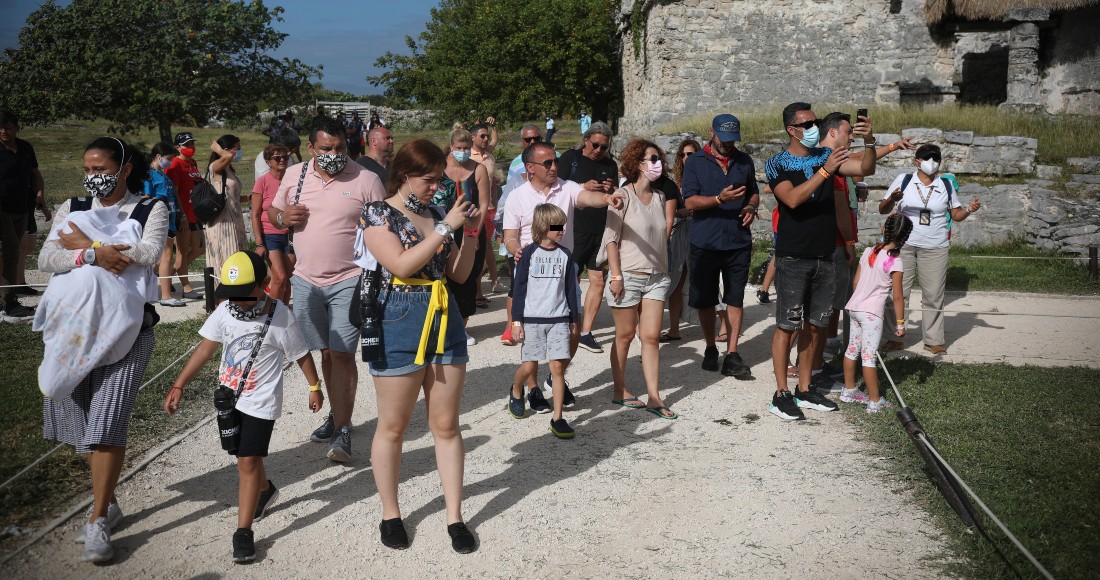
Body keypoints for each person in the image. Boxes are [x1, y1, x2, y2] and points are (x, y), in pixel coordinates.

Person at [39, 137, 168, 563]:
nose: (94, 176)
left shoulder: (151, 208)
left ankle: (96, 518)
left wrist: (85, 245)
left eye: (101, 169)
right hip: (73, 335)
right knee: (83, 427)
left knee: (107, 423)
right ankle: (108, 502)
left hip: (127, 335)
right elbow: (46, 257)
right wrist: (94, 252)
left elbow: (148, 253)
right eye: (88, 169)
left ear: (124, 168)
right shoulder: (71, 208)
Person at [356, 139, 480, 553]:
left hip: (443, 311)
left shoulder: (438, 213)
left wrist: (474, 234)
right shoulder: (378, 213)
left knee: (446, 424)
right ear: (405, 174)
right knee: (393, 425)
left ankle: (455, 516)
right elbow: (402, 264)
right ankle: (391, 513)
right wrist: (447, 228)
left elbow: (459, 274)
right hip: (400, 313)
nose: (436, 187)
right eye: (429, 180)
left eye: (439, 179)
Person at [164, 251, 322, 563]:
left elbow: (301, 354)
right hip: (229, 399)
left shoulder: (281, 317)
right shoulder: (225, 313)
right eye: (230, 295)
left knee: (247, 462)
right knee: (241, 455)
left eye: (243, 296)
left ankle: (243, 532)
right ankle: (265, 489)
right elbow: (206, 348)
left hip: (261, 402)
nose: (236, 302)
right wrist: (179, 383)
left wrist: (314, 387)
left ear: (264, 284)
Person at [267, 116, 387, 462]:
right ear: (310, 148)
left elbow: (382, 228)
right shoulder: (295, 175)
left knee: (343, 353)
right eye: (326, 149)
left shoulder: (366, 179)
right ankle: (338, 413)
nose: (334, 154)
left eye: (339, 148)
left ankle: (344, 431)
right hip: (305, 280)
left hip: (349, 279)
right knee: (325, 352)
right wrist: (282, 218)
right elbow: (273, 212)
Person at [764, 101, 876, 421]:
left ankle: (804, 387)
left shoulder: (825, 156)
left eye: (815, 122)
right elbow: (792, 199)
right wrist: (824, 172)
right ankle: (781, 393)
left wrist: (869, 142)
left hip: (824, 256)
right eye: (807, 124)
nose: (814, 128)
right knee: (788, 326)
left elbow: (864, 168)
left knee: (815, 326)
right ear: (791, 130)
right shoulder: (776, 164)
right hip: (793, 256)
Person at [500, 141, 624, 411]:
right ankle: (529, 388)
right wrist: (515, 249)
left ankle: (555, 377)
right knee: (534, 340)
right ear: (530, 168)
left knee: (574, 330)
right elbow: (509, 236)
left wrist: (605, 198)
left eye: (555, 161)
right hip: (532, 277)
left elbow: (586, 197)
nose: (555, 167)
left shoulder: (566, 188)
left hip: (563, 274)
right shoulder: (517, 196)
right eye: (548, 163)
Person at [879, 143, 981, 355]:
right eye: (927, 158)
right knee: (897, 292)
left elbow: (956, 215)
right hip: (903, 244)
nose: (931, 162)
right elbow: (883, 209)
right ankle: (894, 337)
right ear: (917, 161)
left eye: (936, 159)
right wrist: (892, 199)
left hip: (935, 246)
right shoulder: (904, 180)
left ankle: (933, 339)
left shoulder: (945, 184)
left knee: (933, 294)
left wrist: (970, 210)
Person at [682, 114, 760, 377]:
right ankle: (710, 346)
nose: (728, 144)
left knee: (735, 298)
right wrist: (718, 199)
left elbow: (754, 191)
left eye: (732, 140)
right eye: (723, 139)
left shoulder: (744, 160)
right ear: (711, 132)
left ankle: (733, 353)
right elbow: (689, 203)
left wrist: (750, 205)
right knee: (706, 300)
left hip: (738, 241)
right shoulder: (694, 162)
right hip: (705, 241)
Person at [603, 139, 677, 418]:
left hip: (657, 277)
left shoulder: (659, 197)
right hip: (629, 275)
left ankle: (654, 397)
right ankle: (619, 389)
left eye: (659, 159)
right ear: (637, 164)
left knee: (650, 337)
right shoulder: (622, 196)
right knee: (623, 336)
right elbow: (611, 239)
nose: (658, 164)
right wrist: (617, 276)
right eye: (652, 159)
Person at [508, 204, 581, 437]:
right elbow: (518, 290)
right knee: (529, 365)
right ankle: (517, 388)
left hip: (559, 318)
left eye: (562, 225)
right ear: (542, 227)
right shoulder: (528, 254)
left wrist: (573, 318)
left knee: (558, 368)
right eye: (556, 226)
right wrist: (516, 322)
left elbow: (571, 289)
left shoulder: (565, 255)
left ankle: (557, 417)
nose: (561, 229)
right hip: (532, 319)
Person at [841, 214, 912, 413]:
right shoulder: (895, 261)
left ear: (884, 229)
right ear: (905, 238)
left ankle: (849, 390)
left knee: (851, 350)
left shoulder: (869, 251)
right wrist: (900, 324)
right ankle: (875, 401)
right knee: (869, 356)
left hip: (854, 308)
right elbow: (898, 296)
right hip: (871, 314)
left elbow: (856, 283)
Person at [557, 121, 618, 354]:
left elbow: (614, 197)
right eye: (595, 145)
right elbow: (556, 187)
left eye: (604, 147)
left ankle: (585, 332)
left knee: (598, 281)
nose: (599, 151)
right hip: (571, 229)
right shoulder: (569, 158)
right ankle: (564, 323)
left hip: (600, 229)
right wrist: (582, 186)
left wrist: (610, 189)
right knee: (567, 278)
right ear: (586, 140)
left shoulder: (610, 164)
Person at [436, 125, 491, 344]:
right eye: (459, 147)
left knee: (468, 276)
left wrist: (474, 234)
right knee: (444, 276)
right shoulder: (440, 167)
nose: (464, 151)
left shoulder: (478, 169)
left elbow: (485, 204)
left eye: (467, 147)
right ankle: (442, 324)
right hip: (444, 227)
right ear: (451, 147)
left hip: (471, 228)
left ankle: (461, 327)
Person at [498, 124, 545, 346]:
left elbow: (561, 212)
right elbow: (504, 206)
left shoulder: (555, 181)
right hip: (521, 242)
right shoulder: (517, 177)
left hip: (547, 243)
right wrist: (508, 237)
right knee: (517, 285)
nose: (532, 142)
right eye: (528, 140)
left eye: (536, 138)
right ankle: (511, 326)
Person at [0, 110, 44, 320]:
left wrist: (40, 196)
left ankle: (9, 299)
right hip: (2, 208)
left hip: (22, 207)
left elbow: (35, 174)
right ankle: (7, 302)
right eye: (0, 128)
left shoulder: (26, 148)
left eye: (8, 127)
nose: (3, 132)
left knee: (14, 252)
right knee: (10, 250)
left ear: (17, 128)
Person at [660, 139, 701, 342]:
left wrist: (687, 210)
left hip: (699, 231)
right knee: (675, 279)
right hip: (679, 232)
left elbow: (710, 201)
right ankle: (674, 328)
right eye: (683, 155)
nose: (686, 158)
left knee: (702, 279)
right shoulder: (677, 180)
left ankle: (724, 327)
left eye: (691, 154)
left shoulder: (703, 175)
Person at [250, 144, 296, 304]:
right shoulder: (262, 181)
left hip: (290, 234)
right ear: (268, 162)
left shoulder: (293, 180)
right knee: (280, 276)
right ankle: (271, 313)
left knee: (288, 278)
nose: (282, 160)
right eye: (277, 158)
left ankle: (284, 312)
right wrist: (258, 242)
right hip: (270, 235)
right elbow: (255, 214)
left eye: (285, 157)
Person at [143, 142, 185, 307]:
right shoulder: (148, 174)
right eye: (168, 158)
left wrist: (179, 215)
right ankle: (166, 296)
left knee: (164, 257)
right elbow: (145, 197)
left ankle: (157, 290)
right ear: (158, 156)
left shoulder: (164, 175)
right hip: (158, 219)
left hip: (170, 218)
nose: (170, 161)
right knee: (167, 255)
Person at [166, 132, 205, 300]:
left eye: (192, 144)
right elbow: (173, 192)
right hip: (183, 215)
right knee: (181, 251)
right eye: (187, 145)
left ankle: (166, 274)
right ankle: (186, 287)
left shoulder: (192, 163)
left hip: (195, 213)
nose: (191, 147)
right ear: (178, 147)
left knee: (199, 249)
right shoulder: (174, 164)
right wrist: (180, 214)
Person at [205, 135, 248, 277]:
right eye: (238, 149)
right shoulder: (216, 167)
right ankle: (222, 297)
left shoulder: (229, 170)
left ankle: (236, 297)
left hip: (235, 223)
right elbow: (228, 156)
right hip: (222, 225)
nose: (240, 152)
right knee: (226, 262)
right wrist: (218, 149)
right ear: (225, 150)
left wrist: (248, 198)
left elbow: (231, 197)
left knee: (237, 263)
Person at [470, 121, 504, 297]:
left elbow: (491, 185)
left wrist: (495, 205)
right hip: (473, 209)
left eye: (487, 136)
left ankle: (493, 280)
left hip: (489, 208)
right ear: (472, 137)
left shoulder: (489, 156)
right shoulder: (468, 155)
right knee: (477, 247)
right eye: (482, 136)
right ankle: (478, 290)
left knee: (487, 245)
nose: (486, 139)